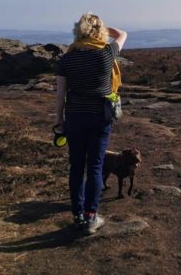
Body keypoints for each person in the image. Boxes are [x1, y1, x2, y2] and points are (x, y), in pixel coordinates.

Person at [54, 13, 127, 234]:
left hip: (75, 117)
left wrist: (59, 120)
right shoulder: (106, 53)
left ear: (78, 31)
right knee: (95, 166)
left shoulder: (66, 59)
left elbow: (60, 94)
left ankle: (77, 215)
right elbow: (123, 34)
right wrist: (103, 28)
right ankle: (91, 217)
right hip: (100, 116)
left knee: (76, 167)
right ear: (98, 32)